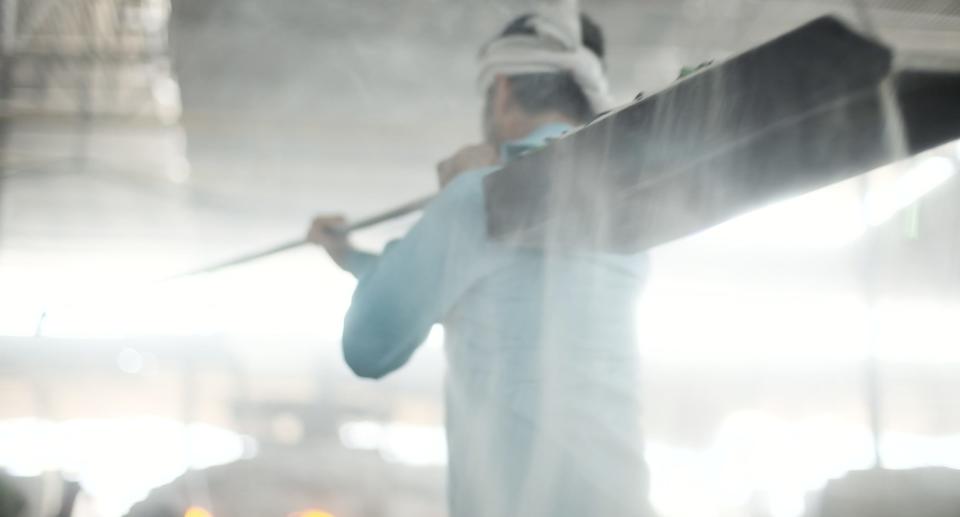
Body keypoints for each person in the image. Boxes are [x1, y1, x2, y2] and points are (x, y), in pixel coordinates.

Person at [308, 9, 653, 517]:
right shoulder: (624, 211)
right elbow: (494, 287)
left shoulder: (482, 199)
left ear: (502, 90)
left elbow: (368, 346)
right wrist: (352, 256)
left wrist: (452, 201)